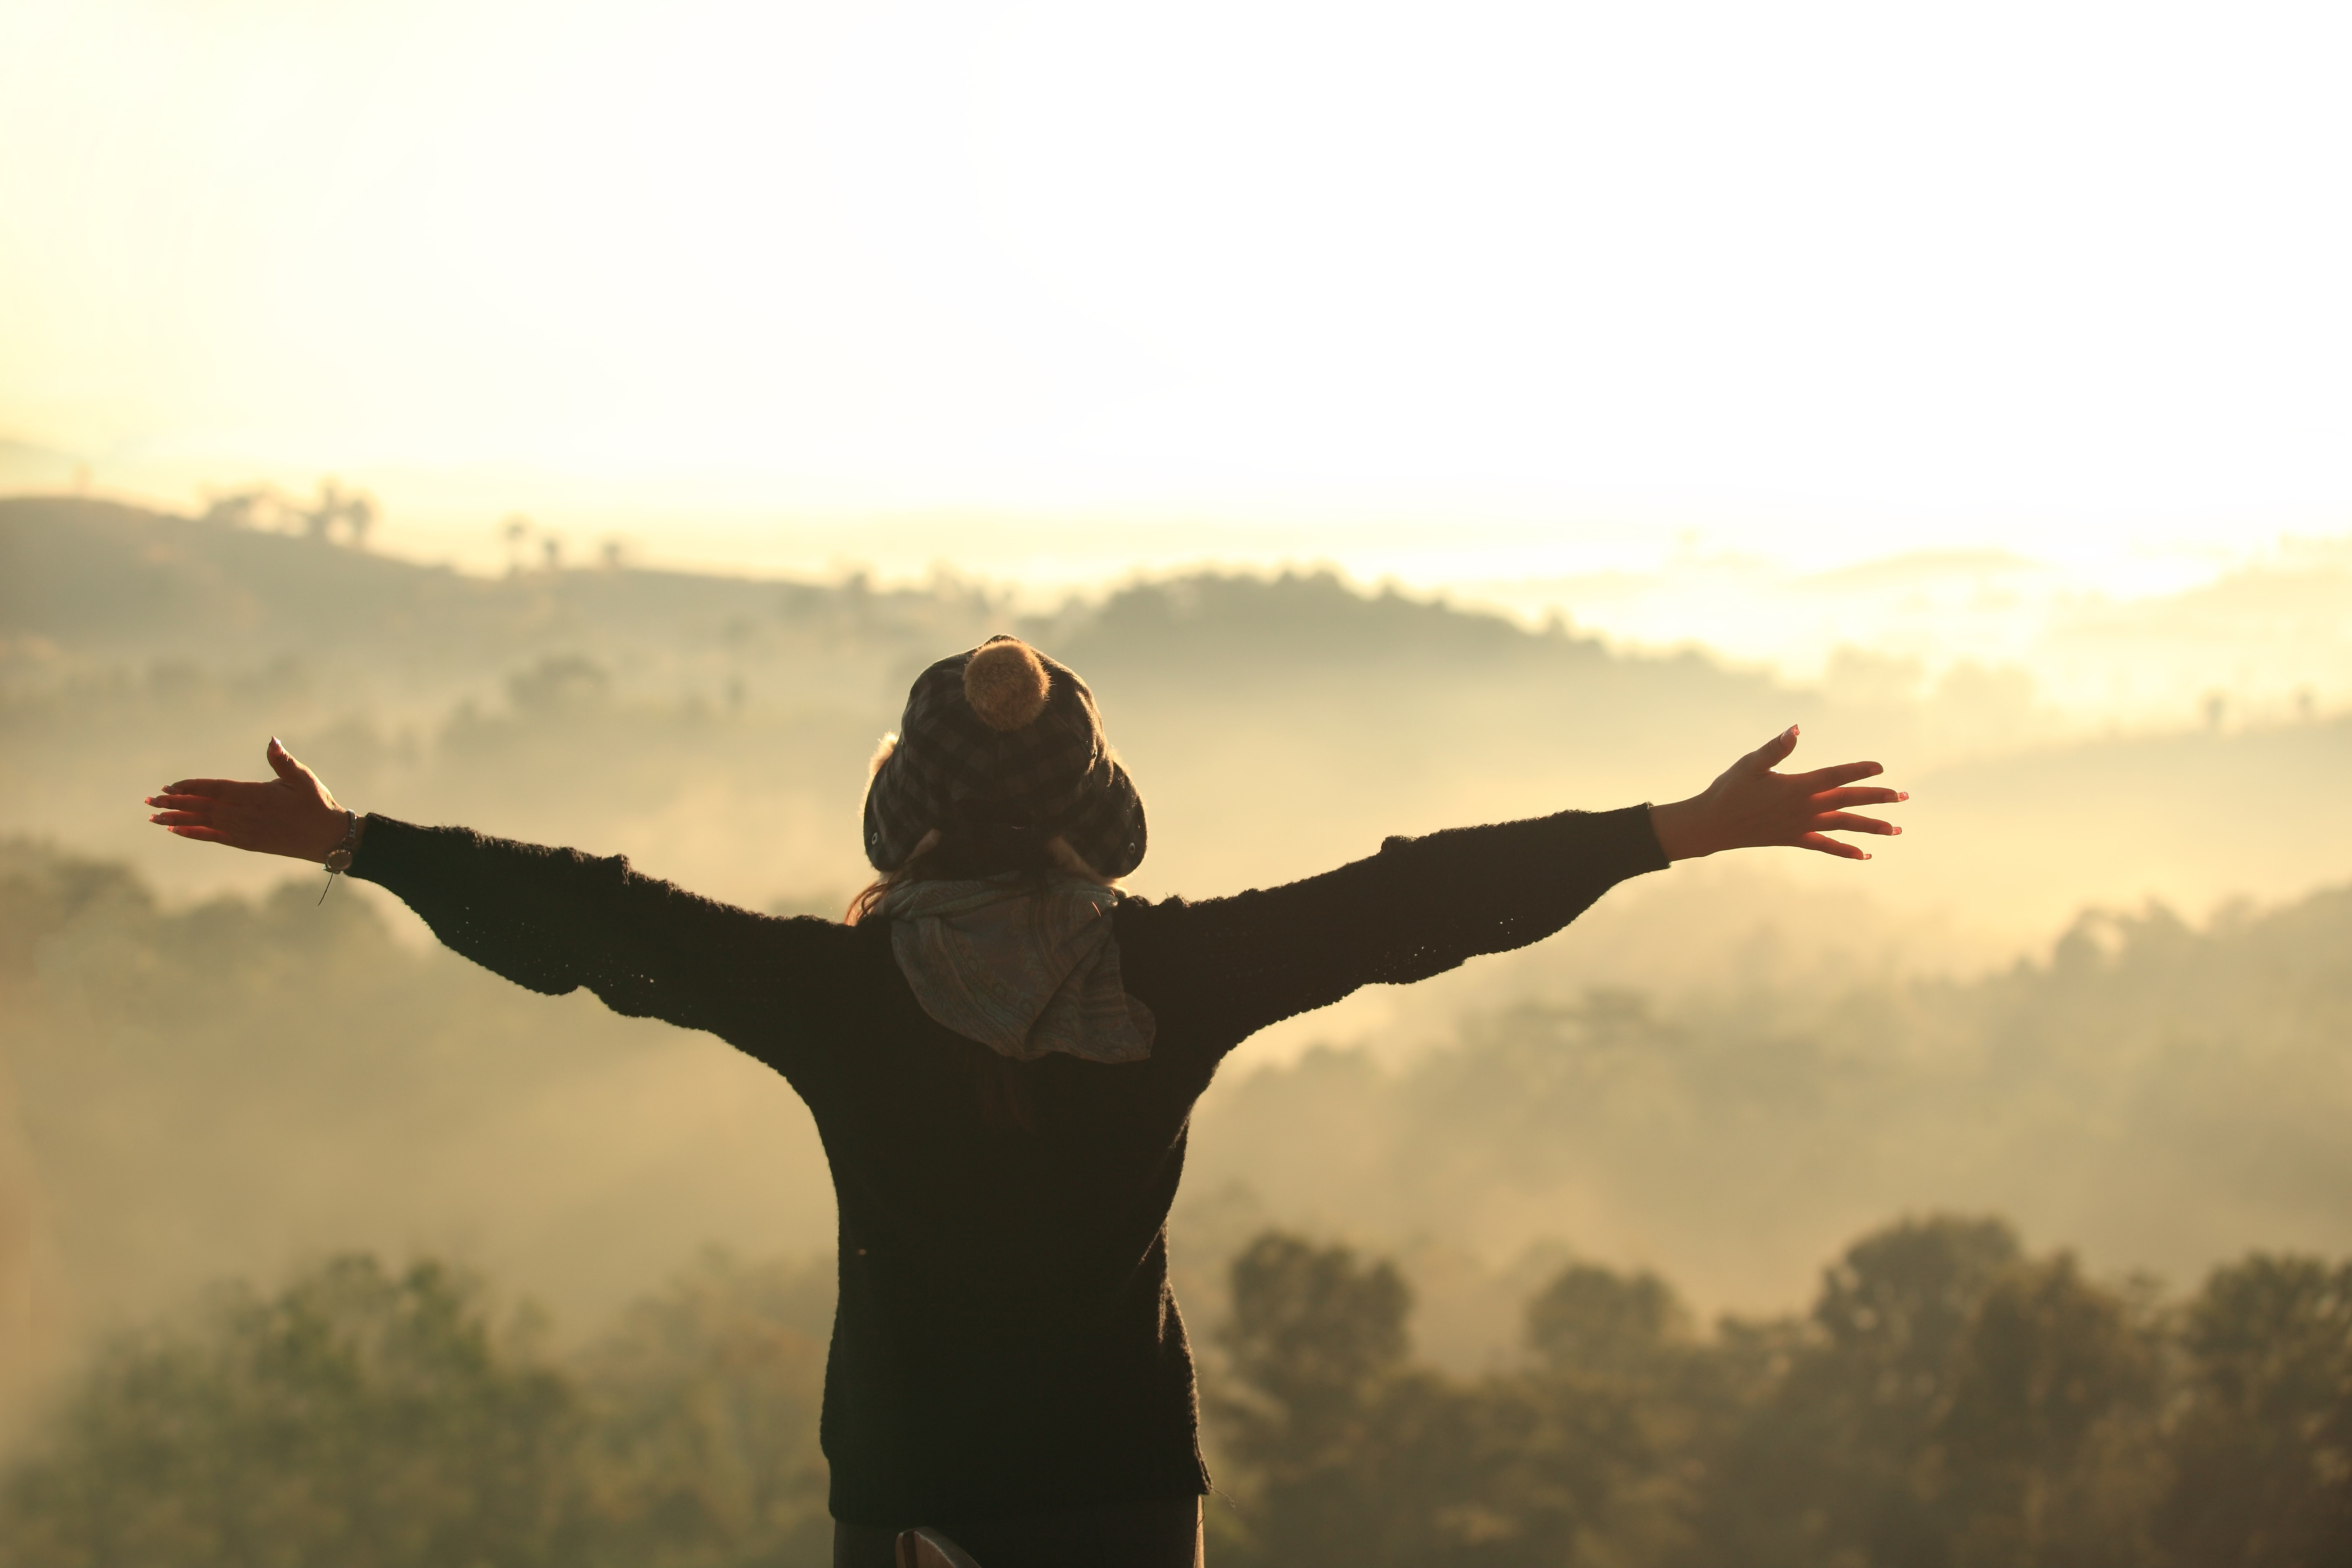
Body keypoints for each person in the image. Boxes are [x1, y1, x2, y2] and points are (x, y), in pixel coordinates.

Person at [145, 635, 1904, 1568]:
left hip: (912, 1484)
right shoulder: (1178, 980)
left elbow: (596, 920)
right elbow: (1409, 900)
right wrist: (1674, 830)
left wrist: (362, 843)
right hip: (1124, 1489)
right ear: (1099, 806)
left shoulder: (832, 997)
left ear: (898, 812)